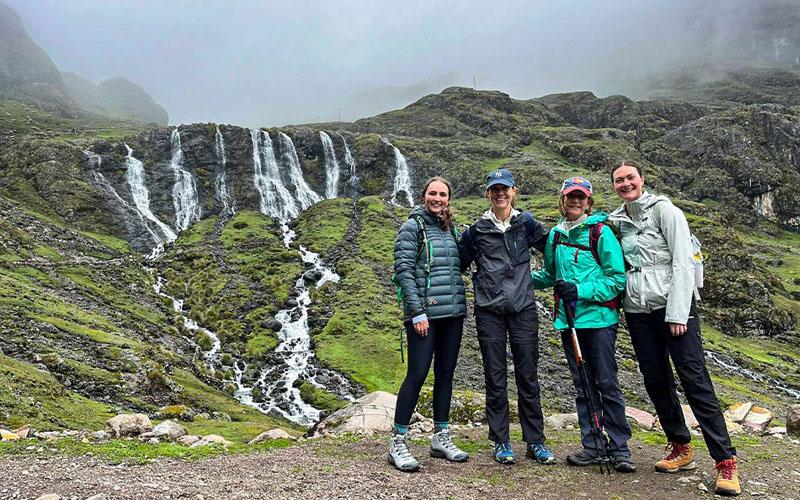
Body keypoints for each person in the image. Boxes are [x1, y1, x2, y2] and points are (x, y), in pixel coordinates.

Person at [608, 160, 740, 496]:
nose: (626, 184)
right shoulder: (617, 221)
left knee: (694, 379)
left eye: (630, 178)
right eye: (619, 181)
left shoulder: (666, 212)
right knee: (656, 380)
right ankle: (680, 446)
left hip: (673, 308)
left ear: (642, 179)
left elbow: (683, 261)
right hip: (638, 311)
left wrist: (679, 313)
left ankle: (725, 461)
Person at [531, 176, 635, 473]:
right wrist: (514, 279)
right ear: (562, 200)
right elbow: (550, 275)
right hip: (569, 320)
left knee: (606, 382)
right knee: (583, 385)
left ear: (589, 202)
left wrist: (580, 291)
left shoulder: (600, 233)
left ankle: (620, 448)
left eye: (581, 197)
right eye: (570, 197)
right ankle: (592, 445)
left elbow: (616, 279)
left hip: (599, 320)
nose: (575, 201)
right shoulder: (555, 235)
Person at [459, 168, 556, 465]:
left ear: (514, 191)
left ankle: (535, 441)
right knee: (495, 375)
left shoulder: (525, 223)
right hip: (489, 311)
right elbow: (458, 264)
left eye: (505, 189)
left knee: (528, 374)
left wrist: (548, 279)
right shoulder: (476, 230)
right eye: (495, 189)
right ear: (488, 194)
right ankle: (501, 440)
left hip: (523, 308)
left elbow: (552, 247)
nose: (500, 194)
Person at [389, 176, 469, 472]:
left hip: (453, 314)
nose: (438, 198)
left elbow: (459, 265)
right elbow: (404, 271)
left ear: (449, 198)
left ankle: (441, 437)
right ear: (424, 196)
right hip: (424, 316)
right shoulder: (412, 227)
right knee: (417, 373)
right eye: (433, 193)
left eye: (443, 194)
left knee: (445, 374)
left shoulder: (451, 229)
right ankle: (398, 441)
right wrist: (417, 311)